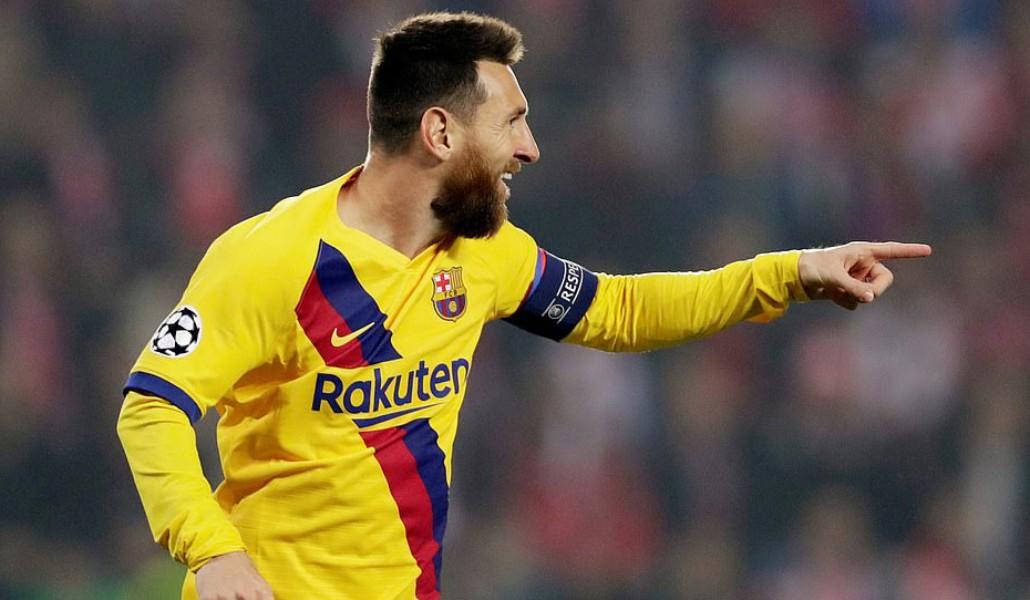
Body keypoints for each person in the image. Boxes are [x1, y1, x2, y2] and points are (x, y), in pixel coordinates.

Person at [116, 11, 931, 600]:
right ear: (440, 134)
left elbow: (618, 309)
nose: (529, 148)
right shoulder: (270, 259)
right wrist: (212, 551)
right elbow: (151, 406)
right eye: (511, 122)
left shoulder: (484, 252)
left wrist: (790, 272)